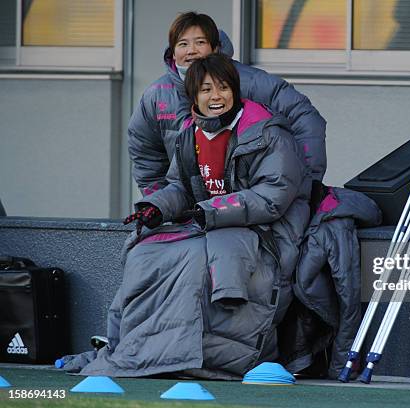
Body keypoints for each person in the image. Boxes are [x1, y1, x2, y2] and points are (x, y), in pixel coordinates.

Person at [61, 54, 311, 379]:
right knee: (145, 252)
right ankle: (135, 344)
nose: (215, 96)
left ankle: (201, 356)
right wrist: (156, 208)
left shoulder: (267, 133)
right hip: (210, 224)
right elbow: (179, 186)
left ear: (235, 91)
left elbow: (273, 195)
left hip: (263, 231)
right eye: (206, 90)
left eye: (222, 88)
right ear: (194, 97)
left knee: (196, 260)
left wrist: (210, 211)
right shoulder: (189, 134)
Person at [128, 11, 326, 197]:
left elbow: (305, 118)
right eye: (183, 44)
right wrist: (162, 204)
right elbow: (145, 155)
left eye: (200, 42)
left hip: (251, 204)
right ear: (172, 52)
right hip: (192, 213)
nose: (191, 51)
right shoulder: (157, 96)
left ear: (215, 48)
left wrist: (307, 183)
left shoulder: (251, 83)